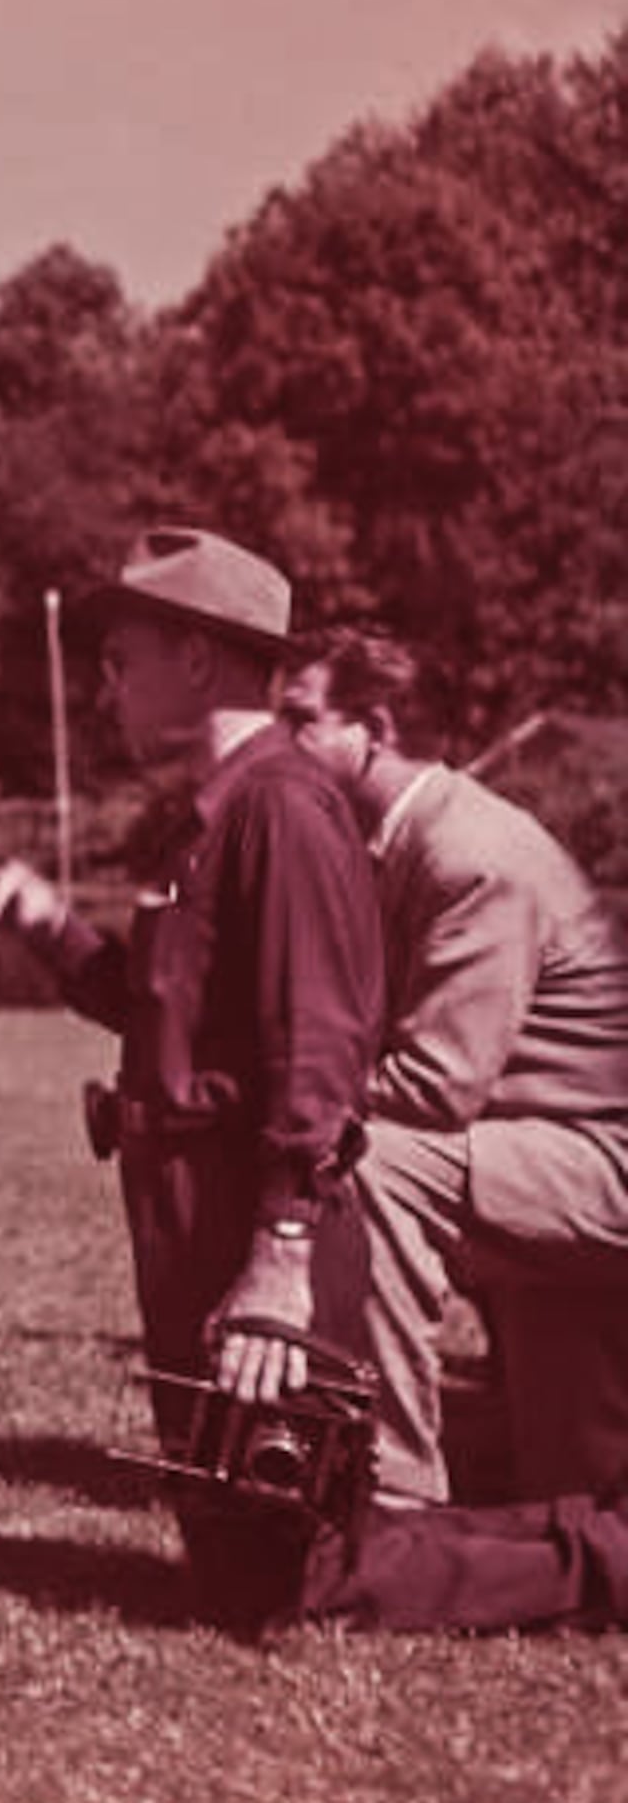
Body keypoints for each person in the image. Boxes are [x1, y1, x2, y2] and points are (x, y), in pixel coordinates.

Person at [0, 526, 388, 1629]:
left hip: (248, 1217)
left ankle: (598, 1551)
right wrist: (50, 929)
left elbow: (322, 1038)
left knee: (304, 1576)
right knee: (238, 1571)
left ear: (198, 658)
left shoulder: (281, 807)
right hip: (189, 1216)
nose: (105, 683)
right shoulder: (213, 815)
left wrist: (281, 1253)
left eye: (121, 656)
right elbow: (163, 1018)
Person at [276, 625, 628, 1505]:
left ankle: (388, 1495)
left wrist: (281, 1095)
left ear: (377, 729)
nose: (278, 745)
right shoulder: (400, 843)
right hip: (543, 1159)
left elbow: (432, 1091)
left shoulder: (470, 854)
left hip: (600, 1168)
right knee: (570, 1491)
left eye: (299, 720)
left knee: (375, 1163)